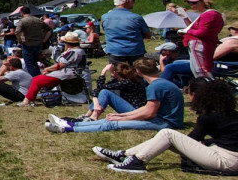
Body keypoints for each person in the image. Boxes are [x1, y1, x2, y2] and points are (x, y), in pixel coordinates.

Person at [94, 79, 238, 174]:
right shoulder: (231, 114)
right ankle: (124, 155)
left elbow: (191, 139)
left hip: (226, 161)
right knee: (168, 138)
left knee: (168, 134)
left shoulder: (208, 117)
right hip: (230, 157)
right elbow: (228, 138)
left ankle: (137, 162)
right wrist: (205, 143)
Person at [45, 57, 183, 133]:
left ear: (139, 72)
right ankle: (69, 124)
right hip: (162, 120)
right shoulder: (161, 83)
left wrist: (122, 117)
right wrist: (122, 115)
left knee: (113, 124)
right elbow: (147, 109)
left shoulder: (156, 86)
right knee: (111, 120)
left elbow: (149, 113)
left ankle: (69, 128)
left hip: (165, 123)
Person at [18, 33, 86, 107]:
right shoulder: (78, 51)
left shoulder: (74, 52)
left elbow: (61, 65)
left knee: (37, 80)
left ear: (67, 43)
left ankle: (27, 101)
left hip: (67, 74)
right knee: (38, 79)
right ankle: (36, 97)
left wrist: (47, 69)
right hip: (69, 73)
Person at [169, 0, 224, 78]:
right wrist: (184, 17)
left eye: (194, 2)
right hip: (203, 43)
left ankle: (208, 88)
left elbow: (201, 33)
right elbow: (193, 29)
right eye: (189, 3)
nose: (191, 4)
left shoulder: (209, 14)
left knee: (200, 71)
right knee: (200, 70)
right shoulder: (209, 14)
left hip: (199, 44)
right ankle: (209, 88)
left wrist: (185, 31)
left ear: (204, 2)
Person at [100, 0, 150, 65]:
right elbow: (148, 35)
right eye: (133, 0)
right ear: (127, 2)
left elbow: (106, 31)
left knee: (117, 74)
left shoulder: (105, 17)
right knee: (137, 73)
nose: (134, 2)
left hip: (115, 51)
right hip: (135, 51)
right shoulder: (136, 17)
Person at [15, 6, 51, 76]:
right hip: (38, 43)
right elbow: (49, 30)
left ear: (22, 13)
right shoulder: (38, 20)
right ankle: (39, 76)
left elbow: (17, 32)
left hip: (28, 43)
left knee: (30, 63)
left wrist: (20, 41)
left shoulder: (23, 21)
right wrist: (44, 40)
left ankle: (34, 78)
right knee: (36, 62)